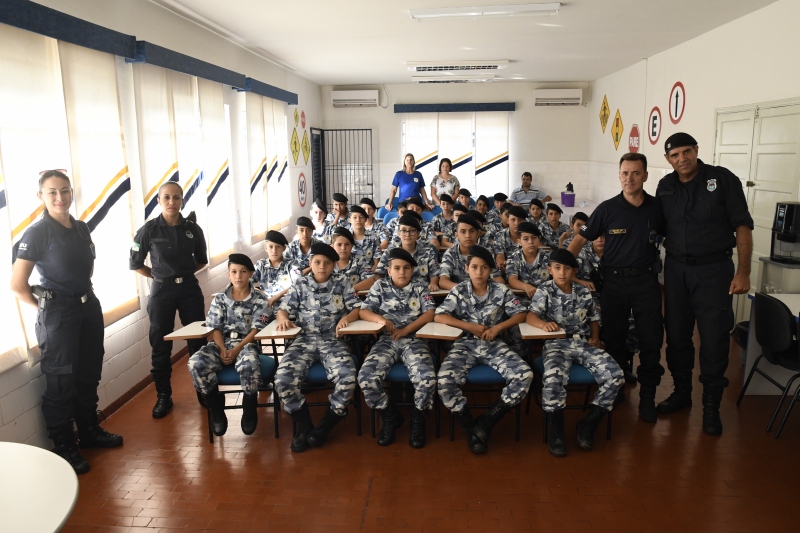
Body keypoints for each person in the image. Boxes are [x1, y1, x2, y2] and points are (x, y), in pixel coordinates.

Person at [11, 170, 123, 474]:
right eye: (52, 192)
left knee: (88, 374)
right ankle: (64, 448)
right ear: (41, 197)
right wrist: (48, 309)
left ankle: (89, 432)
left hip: (88, 307)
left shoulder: (82, 228)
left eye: (64, 191)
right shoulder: (37, 233)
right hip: (58, 314)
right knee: (61, 383)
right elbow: (17, 285)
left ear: (71, 192)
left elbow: (84, 270)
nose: (60, 198)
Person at [656, 132, 754, 436]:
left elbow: (742, 226)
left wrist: (744, 272)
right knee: (677, 334)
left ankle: (711, 406)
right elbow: (655, 227)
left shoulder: (722, 180)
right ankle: (682, 393)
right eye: (675, 155)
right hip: (675, 270)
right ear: (668, 159)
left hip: (714, 271)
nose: (682, 159)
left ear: (697, 150)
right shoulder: (665, 186)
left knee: (713, 338)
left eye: (687, 152)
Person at [567, 152, 665, 423]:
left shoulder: (657, 208)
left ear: (645, 175)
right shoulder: (607, 209)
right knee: (615, 338)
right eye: (624, 173)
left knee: (650, 339)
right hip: (613, 283)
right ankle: (617, 388)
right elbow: (579, 240)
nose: (629, 178)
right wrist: (565, 272)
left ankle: (647, 397)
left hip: (645, 281)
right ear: (619, 175)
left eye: (635, 173)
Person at [435, 245, 533, 454]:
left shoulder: (501, 290)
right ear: (467, 268)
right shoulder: (459, 290)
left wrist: (498, 327)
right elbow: (439, 315)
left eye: (484, 268)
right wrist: (469, 326)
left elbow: (521, 314)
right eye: (475, 267)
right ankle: (469, 424)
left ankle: (488, 421)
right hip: (465, 344)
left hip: (493, 343)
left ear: (491, 270)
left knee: (524, 375)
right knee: (444, 380)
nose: (479, 272)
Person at [527, 249, 624, 457]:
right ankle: (556, 430)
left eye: (567, 268)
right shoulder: (545, 290)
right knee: (553, 378)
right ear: (550, 270)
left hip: (583, 343)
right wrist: (544, 325)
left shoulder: (583, 292)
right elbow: (530, 317)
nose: (562, 272)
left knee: (616, 375)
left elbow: (593, 318)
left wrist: (596, 338)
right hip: (556, 343)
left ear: (574, 271)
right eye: (557, 268)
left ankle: (589, 422)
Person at [130, 181, 207, 419]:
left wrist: (181, 276)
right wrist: (160, 276)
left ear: (182, 200)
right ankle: (164, 396)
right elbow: (135, 263)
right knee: (160, 344)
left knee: (198, 341)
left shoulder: (193, 229)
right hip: (161, 292)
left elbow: (202, 260)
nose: (172, 202)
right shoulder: (148, 230)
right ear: (158, 201)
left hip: (189, 291)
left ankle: (204, 390)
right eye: (166, 198)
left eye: (176, 197)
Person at [274, 243, 362, 452]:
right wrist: (284, 319)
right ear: (310, 263)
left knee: (348, 377)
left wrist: (346, 319)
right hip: (303, 340)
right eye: (317, 262)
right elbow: (282, 310)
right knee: (282, 380)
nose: (322, 267)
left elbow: (357, 308)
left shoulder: (342, 282)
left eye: (327, 263)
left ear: (333, 265)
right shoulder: (300, 284)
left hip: (333, 340)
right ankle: (304, 425)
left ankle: (326, 424)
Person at [357, 248, 437, 448]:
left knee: (427, 379)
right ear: (389, 270)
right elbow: (364, 311)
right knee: (366, 377)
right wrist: (381, 319)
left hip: (415, 340)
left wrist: (406, 330)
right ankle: (390, 416)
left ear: (412, 270)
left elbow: (430, 313)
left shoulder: (420, 287)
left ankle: (417, 419)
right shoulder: (380, 286)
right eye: (397, 268)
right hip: (387, 340)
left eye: (406, 268)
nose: (402, 272)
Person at [187, 254, 272, 437]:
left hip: (246, 344)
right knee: (195, 363)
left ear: (250, 274)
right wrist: (223, 349)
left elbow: (256, 330)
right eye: (234, 272)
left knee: (250, 363)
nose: (238, 276)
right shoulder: (220, 299)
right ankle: (215, 406)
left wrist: (236, 350)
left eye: (243, 272)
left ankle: (249, 406)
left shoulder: (260, 299)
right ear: (228, 274)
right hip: (221, 343)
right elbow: (215, 327)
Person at [374, 215, 440, 292]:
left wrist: (433, 283)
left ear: (418, 234)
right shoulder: (391, 251)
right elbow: (378, 274)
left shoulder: (427, 251)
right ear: (398, 233)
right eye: (404, 230)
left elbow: (434, 274)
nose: (407, 235)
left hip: (421, 293)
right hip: (395, 293)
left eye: (412, 231)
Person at [439, 215, 504, 290]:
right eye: (463, 232)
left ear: (478, 234)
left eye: (472, 231)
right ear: (457, 235)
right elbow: (443, 281)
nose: (468, 236)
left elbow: (498, 279)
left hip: (483, 294)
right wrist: (466, 290)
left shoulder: (485, 253)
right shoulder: (450, 254)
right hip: (460, 296)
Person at [253, 230, 301, 308]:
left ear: (284, 248)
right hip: (266, 305)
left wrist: (275, 298)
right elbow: (246, 282)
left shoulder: (292, 265)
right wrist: (258, 292)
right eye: (271, 247)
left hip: (288, 306)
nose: (274, 250)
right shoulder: (261, 265)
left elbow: (299, 285)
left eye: (278, 247)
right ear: (265, 248)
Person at [506, 222, 552, 300]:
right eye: (526, 239)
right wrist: (525, 286)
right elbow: (512, 280)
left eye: (534, 238)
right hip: (521, 298)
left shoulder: (548, 256)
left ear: (539, 239)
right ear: (519, 242)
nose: (530, 242)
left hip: (546, 298)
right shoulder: (514, 258)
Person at [331, 227, 376, 292]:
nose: (343, 248)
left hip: (354, 299)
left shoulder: (359, 260)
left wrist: (349, 291)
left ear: (352, 246)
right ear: (332, 246)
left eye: (347, 244)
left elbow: (371, 280)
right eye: (339, 245)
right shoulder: (327, 262)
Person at [494, 205, 529, 272]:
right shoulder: (500, 235)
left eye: (520, 220)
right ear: (507, 221)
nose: (516, 223)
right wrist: (502, 264)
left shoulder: (528, 237)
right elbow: (499, 255)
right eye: (513, 220)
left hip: (525, 271)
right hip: (506, 270)